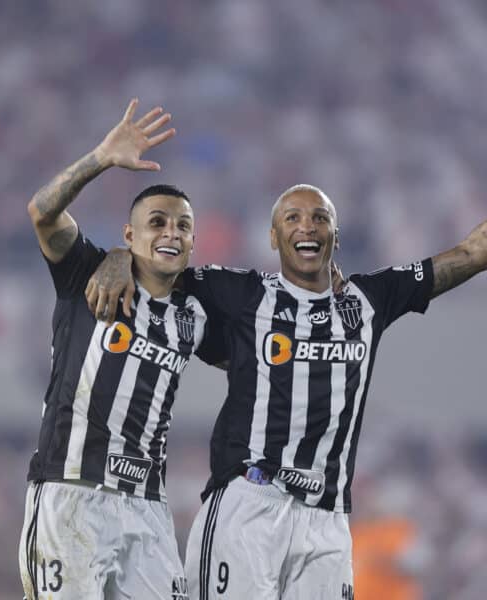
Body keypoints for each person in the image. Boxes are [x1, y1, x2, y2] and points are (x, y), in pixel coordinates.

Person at [88, 183, 487, 599]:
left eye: (320, 217)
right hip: (249, 503)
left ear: (336, 234)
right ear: (273, 237)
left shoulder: (369, 300)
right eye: (292, 218)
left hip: (326, 520)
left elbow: (470, 253)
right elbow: (158, 264)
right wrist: (118, 257)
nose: (307, 226)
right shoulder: (244, 293)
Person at [19, 98, 219, 600]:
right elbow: (42, 213)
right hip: (71, 494)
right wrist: (101, 159)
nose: (170, 232)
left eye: (182, 226)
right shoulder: (85, 273)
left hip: (147, 505)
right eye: (157, 222)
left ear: (193, 243)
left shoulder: (196, 312)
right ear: (130, 235)